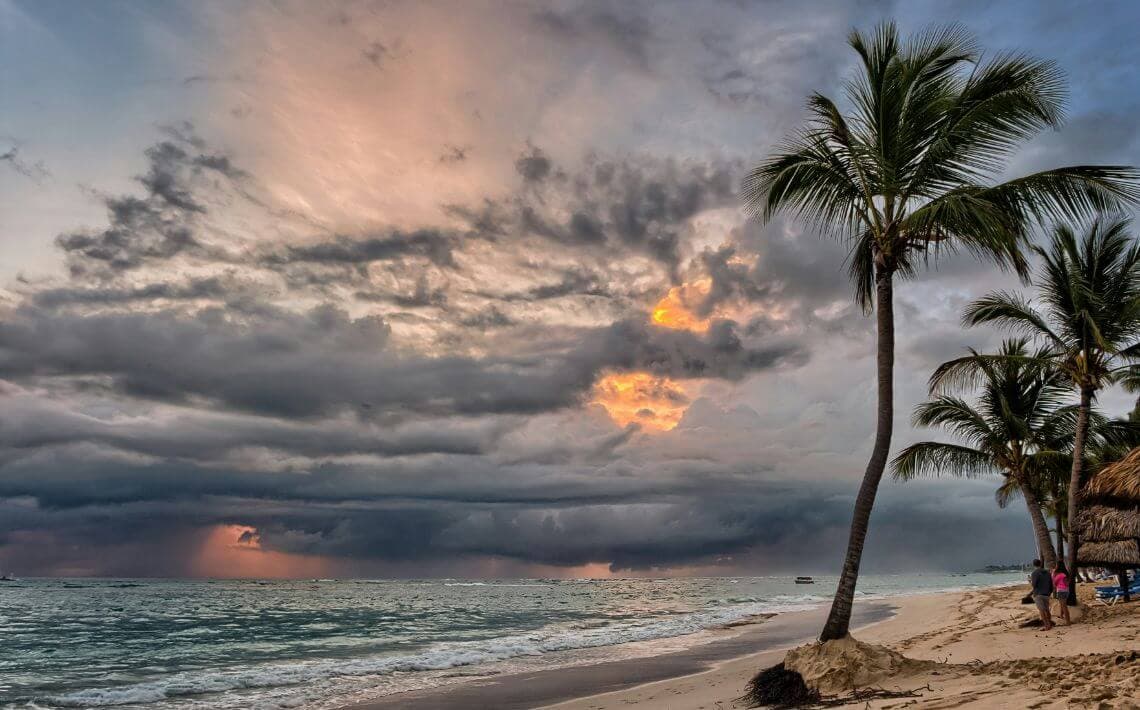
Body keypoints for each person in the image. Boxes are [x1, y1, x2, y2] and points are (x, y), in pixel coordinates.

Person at [1029, 559, 1053, 630]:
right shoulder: (1047, 572)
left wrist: (1030, 581)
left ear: (1034, 565)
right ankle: (1049, 624)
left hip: (1038, 594)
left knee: (1041, 610)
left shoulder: (1034, 573)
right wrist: (1049, 592)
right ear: (1040, 564)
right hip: (1046, 594)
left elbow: (1034, 585)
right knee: (1047, 610)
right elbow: (1051, 584)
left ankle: (1046, 626)